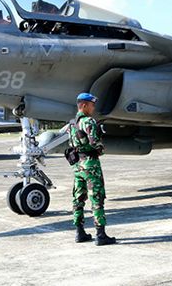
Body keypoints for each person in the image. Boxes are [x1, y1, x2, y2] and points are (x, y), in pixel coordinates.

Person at [68, 92, 116, 246]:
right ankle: (100, 234)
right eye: (92, 104)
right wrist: (100, 149)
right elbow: (95, 143)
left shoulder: (72, 123)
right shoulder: (88, 122)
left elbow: (71, 145)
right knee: (97, 197)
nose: (94, 107)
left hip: (78, 165)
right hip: (90, 164)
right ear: (84, 105)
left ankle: (79, 232)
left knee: (78, 198)